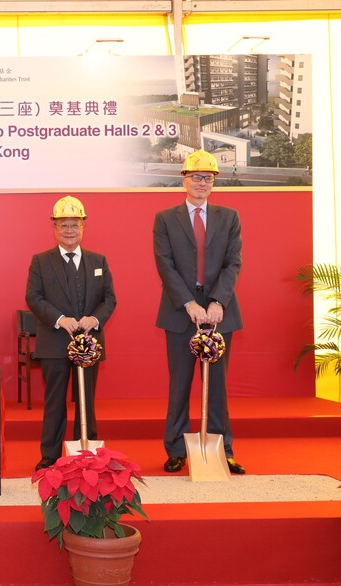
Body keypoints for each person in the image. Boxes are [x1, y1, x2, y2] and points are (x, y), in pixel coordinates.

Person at [153, 149, 245, 475]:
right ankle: (176, 448)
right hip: (180, 313)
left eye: (208, 177)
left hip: (221, 313)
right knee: (180, 383)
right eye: (196, 176)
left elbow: (233, 262)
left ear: (213, 182)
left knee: (217, 385)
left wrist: (218, 301)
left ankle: (224, 449)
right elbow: (164, 264)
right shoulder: (165, 218)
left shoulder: (229, 217)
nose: (202, 182)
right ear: (184, 180)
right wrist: (189, 303)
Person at [25, 196, 117, 471]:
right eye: (63, 225)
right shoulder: (40, 261)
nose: (69, 230)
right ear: (54, 227)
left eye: (74, 225)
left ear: (83, 227)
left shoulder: (98, 260)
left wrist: (95, 319)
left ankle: (87, 448)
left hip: (89, 344)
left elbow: (109, 299)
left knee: (86, 399)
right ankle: (50, 454)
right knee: (55, 400)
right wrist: (60, 319)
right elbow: (33, 297)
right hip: (54, 343)